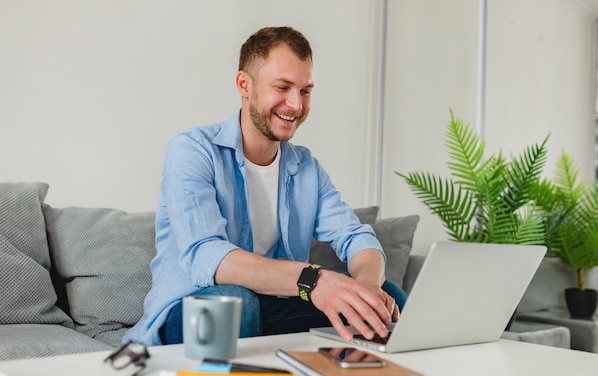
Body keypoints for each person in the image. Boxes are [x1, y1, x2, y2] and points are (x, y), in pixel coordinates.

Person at [123, 26, 407, 347]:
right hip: (194, 309)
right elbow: (206, 254)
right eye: (283, 87)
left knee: (387, 298)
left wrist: (366, 287)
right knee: (234, 302)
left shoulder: (306, 168)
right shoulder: (192, 150)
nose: (296, 105)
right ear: (244, 84)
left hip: (272, 306)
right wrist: (313, 280)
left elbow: (357, 238)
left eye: (305, 91)